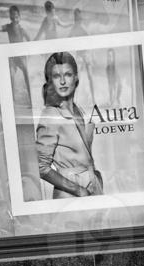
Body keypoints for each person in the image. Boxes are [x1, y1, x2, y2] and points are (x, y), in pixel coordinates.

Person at [35, 52, 103, 198]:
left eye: (67, 74)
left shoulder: (81, 111)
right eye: (56, 76)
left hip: (93, 187)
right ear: (50, 81)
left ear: (76, 78)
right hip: (69, 194)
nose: (63, 81)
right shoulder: (51, 114)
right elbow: (41, 167)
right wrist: (77, 190)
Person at [2, 6, 32, 102]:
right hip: (12, 57)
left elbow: (30, 41)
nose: (15, 18)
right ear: (10, 17)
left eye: (16, 16)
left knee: (27, 75)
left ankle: (31, 98)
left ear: (19, 17)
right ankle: (13, 100)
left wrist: (30, 52)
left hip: (22, 57)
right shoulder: (8, 27)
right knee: (11, 76)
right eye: (13, 16)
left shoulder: (22, 30)